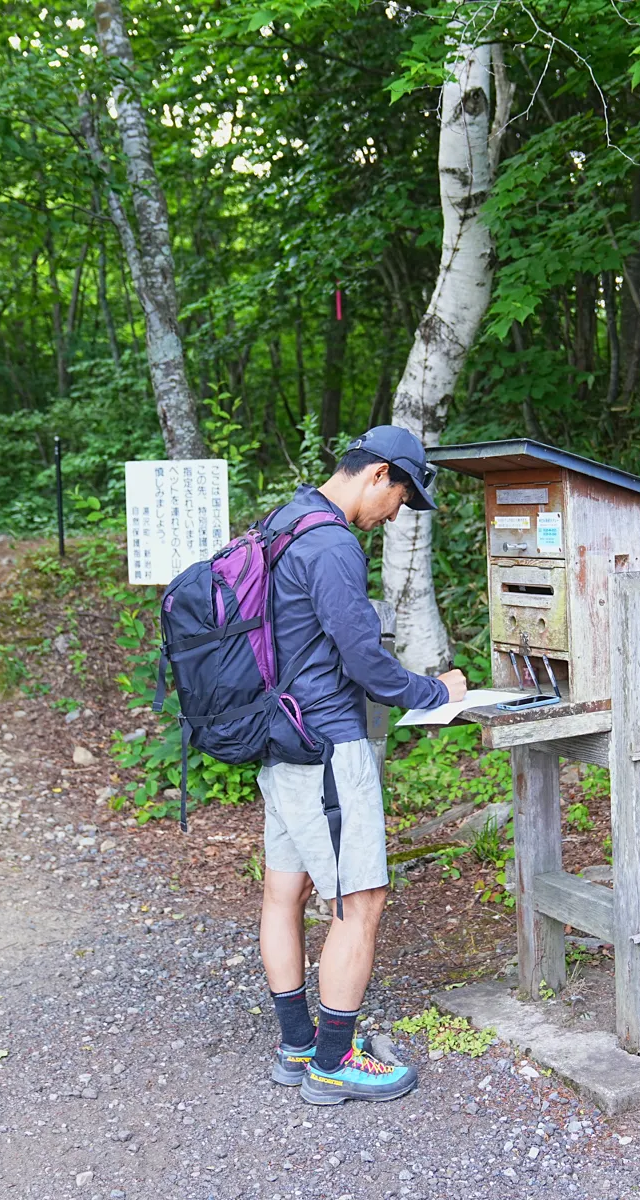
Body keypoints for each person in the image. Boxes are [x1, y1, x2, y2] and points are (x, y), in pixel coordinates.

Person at [258, 425, 467, 1105]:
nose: (396, 514)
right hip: (326, 749)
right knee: (361, 899)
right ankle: (334, 1062)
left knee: (283, 894)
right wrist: (439, 692)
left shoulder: (281, 523)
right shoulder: (331, 545)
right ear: (378, 475)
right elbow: (365, 663)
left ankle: (298, 1046)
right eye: (401, 498)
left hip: (279, 739)